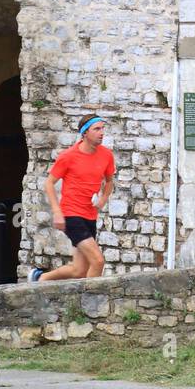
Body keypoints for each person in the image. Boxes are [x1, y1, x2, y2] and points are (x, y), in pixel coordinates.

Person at [28, 114, 114, 282]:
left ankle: (39, 279)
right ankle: (88, 303)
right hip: (71, 214)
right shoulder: (68, 156)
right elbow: (49, 183)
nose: (102, 132)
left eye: (103, 128)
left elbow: (109, 181)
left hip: (90, 215)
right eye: (97, 129)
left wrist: (103, 199)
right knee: (97, 261)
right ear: (84, 133)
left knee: (79, 271)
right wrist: (57, 212)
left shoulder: (106, 155)